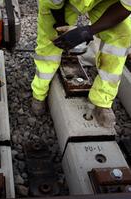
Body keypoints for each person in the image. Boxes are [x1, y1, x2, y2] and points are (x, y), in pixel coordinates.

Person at [31, 0, 131, 128]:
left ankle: (102, 100)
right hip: (57, 3)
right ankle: (39, 93)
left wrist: (88, 31)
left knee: (122, 35)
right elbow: (53, 3)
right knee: (50, 42)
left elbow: (126, 6)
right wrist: (61, 26)